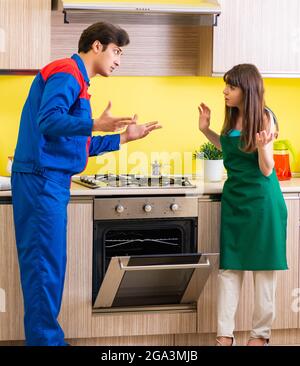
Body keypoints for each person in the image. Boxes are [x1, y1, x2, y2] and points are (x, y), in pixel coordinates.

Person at [11, 22, 161, 346]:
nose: (119, 60)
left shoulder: (77, 80)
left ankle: (48, 341)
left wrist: (122, 137)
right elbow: (48, 121)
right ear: (97, 46)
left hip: (51, 181)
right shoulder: (66, 72)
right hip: (41, 180)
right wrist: (94, 122)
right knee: (43, 269)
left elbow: (77, 143)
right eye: (116, 51)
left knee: (49, 267)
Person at [198, 64, 287, 346]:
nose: (225, 91)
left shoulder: (264, 117)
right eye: (226, 85)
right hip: (236, 200)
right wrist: (206, 130)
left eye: (231, 86)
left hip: (262, 203)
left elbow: (266, 169)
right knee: (229, 270)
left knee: (263, 271)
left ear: (247, 90)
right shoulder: (233, 118)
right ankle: (225, 335)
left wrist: (263, 148)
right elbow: (230, 147)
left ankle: (260, 336)